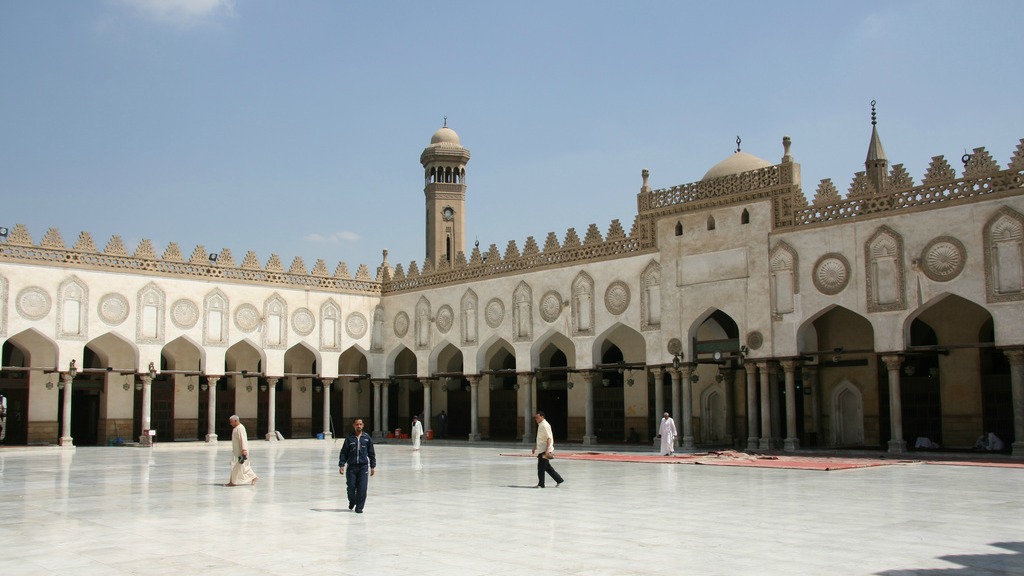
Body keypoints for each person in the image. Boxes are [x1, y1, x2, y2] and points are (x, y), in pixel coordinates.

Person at [339, 417, 376, 513]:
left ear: (363, 425)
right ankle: (352, 501)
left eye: (360, 424)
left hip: (363, 467)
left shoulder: (367, 438)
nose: (358, 426)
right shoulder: (349, 438)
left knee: (362, 488)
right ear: (353, 426)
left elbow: (371, 453)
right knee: (351, 487)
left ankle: (359, 507)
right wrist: (342, 465)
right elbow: (344, 452)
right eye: (357, 424)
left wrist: (372, 466)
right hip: (351, 467)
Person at [532, 411, 563, 488]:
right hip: (541, 449)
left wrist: (547, 451)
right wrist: (535, 447)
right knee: (547, 467)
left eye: (537, 417)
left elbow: (549, 438)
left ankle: (541, 484)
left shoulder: (545, 425)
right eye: (535, 417)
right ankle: (559, 480)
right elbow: (540, 438)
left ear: (542, 417)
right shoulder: (540, 425)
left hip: (544, 450)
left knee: (541, 468)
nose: (536, 419)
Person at [226, 415, 258, 486]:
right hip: (236, 451)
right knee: (238, 466)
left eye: (231, 422)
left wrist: (244, 449)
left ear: (235, 421)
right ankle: (233, 481)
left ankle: (233, 482)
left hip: (241, 451)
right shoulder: (236, 428)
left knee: (239, 466)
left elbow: (243, 439)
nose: (230, 423)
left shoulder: (240, 428)